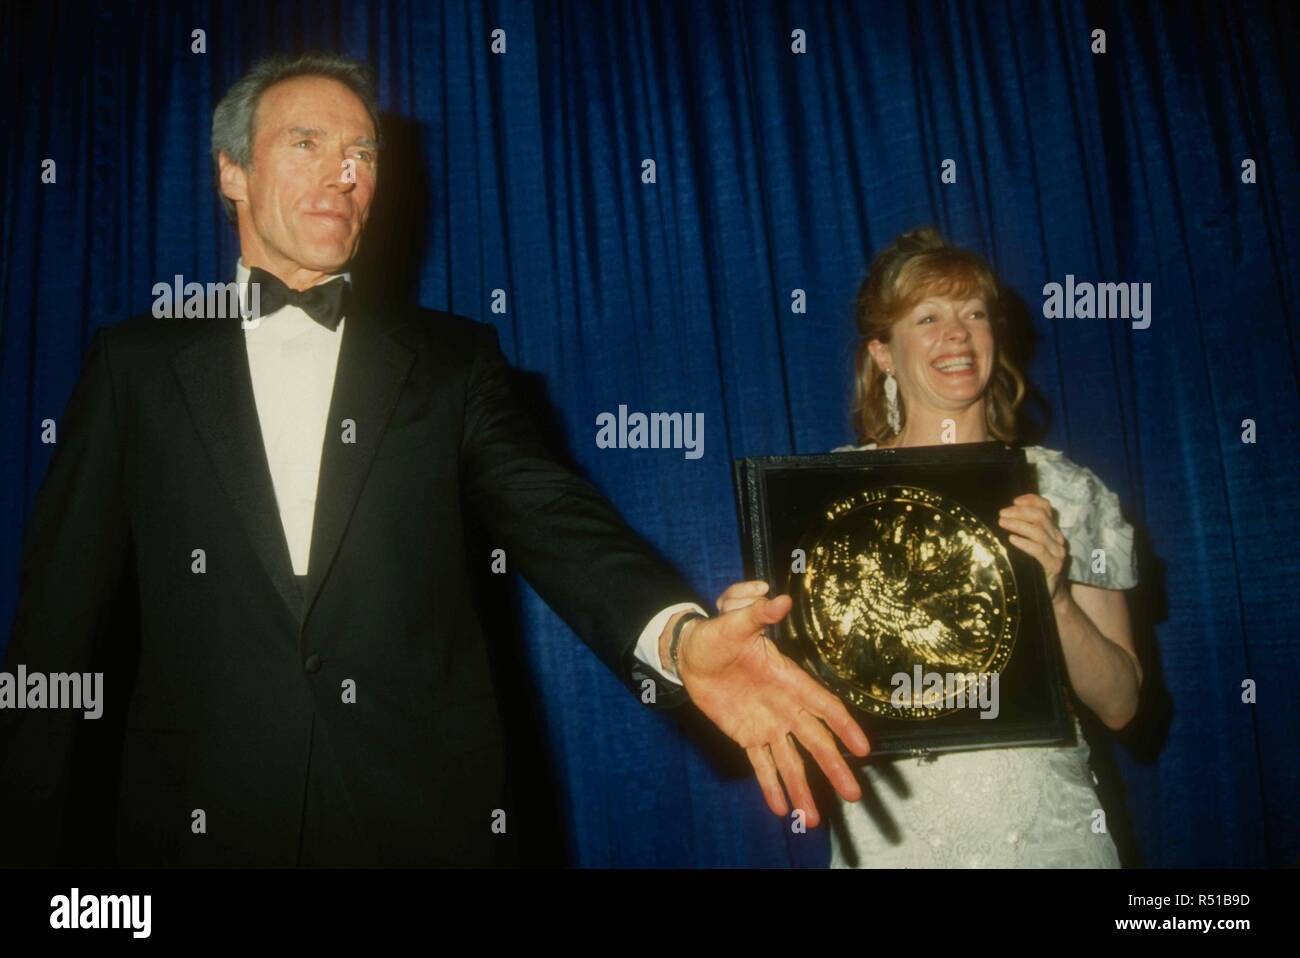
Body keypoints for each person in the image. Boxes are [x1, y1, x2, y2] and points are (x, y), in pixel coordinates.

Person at [0, 51, 869, 867]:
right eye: (307, 144)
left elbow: (559, 522)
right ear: (231, 172)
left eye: (362, 153)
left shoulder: (454, 362)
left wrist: (677, 640)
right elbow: (56, 633)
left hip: (423, 826)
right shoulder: (135, 365)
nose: (345, 174)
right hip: (190, 830)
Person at [717, 227, 1142, 867]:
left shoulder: (1064, 490)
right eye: (928, 317)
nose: (958, 333)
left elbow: (1121, 705)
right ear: (882, 353)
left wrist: (1054, 599)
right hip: (892, 839)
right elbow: (796, 700)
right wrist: (749, 643)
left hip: (1046, 835)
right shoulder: (823, 498)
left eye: (974, 313)